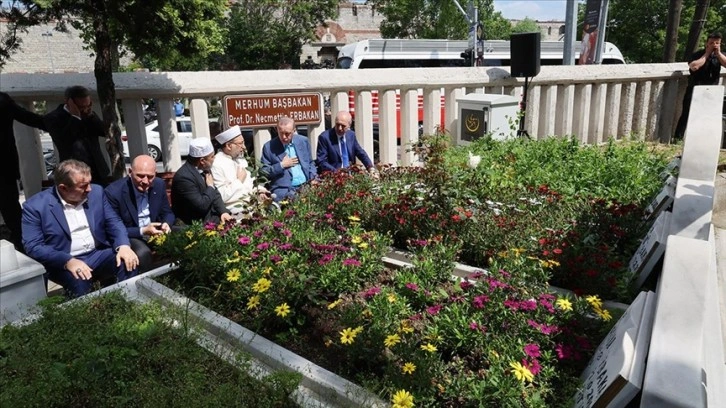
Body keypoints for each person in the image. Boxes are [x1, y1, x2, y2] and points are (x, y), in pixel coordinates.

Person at [21, 160, 139, 297]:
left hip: (96, 253)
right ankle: (87, 310)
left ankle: (129, 302)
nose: (89, 189)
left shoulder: (96, 193)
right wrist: (67, 261)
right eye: (83, 186)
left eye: (90, 183)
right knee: (80, 280)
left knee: (128, 261)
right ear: (63, 188)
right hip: (63, 258)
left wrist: (123, 245)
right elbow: (33, 246)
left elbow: (114, 222)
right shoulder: (35, 207)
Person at [104, 155, 175, 272]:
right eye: (140, 176)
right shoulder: (114, 192)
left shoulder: (158, 184)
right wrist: (143, 230)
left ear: (155, 174)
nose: (145, 181)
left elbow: (167, 212)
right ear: (130, 172)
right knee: (143, 253)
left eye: (150, 177)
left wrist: (166, 224)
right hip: (132, 234)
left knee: (189, 234)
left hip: (156, 230)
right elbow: (114, 228)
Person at [0, 92, 47, 251]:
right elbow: (28, 117)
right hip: (4, 168)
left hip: (4, 169)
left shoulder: (3, 101)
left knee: (11, 210)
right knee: (11, 210)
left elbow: (28, 118)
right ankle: (22, 244)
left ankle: (22, 243)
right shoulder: (3, 101)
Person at [44, 85, 110, 185]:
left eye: (88, 105)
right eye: (81, 107)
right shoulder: (54, 118)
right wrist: (75, 117)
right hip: (75, 173)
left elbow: (104, 132)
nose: (85, 109)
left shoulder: (89, 114)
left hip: (98, 171)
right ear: (69, 102)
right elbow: (65, 140)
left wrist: (91, 116)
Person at [675, 32, 726, 140]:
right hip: (695, 90)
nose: (714, 45)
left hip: (711, 92)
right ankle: (677, 139)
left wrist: (718, 54)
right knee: (687, 115)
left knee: (707, 117)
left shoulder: (720, 56)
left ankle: (702, 139)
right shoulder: (697, 55)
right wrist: (707, 54)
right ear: (706, 43)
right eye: (711, 43)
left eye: (717, 43)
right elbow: (694, 67)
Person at [211, 126, 272, 215]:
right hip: (233, 210)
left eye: (243, 143)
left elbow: (250, 184)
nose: (244, 147)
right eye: (240, 143)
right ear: (228, 146)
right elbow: (221, 196)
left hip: (252, 205)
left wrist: (260, 191)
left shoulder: (241, 160)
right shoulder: (216, 164)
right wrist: (239, 180)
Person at [171, 138, 232, 225]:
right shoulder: (184, 178)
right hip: (195, 224)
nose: (214, 158)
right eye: (212, 156)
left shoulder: (204, 169)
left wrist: (223, 211)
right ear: (202, 161)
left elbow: (215, 194)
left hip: (211, 218)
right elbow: (201, 206)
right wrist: (210, 187)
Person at [261, 117, 317, 202]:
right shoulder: (269, 147)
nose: (284, 137)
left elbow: (310, 162)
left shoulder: (303, 141)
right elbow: (264, 172)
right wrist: (281, 165)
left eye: (287, 134)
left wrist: (313, 178)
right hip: (283, 190)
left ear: (294, 130)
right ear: (277, 130)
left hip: (305, 186)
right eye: (281, 133)